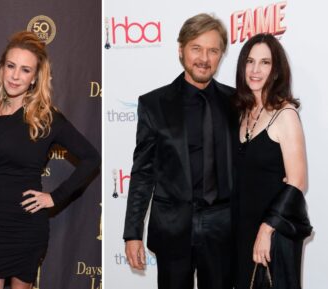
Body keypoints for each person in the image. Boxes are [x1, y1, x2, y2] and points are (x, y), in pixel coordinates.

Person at [0, 31, 100, 289]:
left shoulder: (45, 118)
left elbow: (91, 158)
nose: (15, 75)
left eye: (25, 70)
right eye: (11, 66)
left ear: (34, 78)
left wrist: (54, 197)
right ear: (1, 69)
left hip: (26, 227)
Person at [123, 13, 237, 289]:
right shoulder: (153, 104)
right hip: (173, 227)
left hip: (223, 226)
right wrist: (132, 233)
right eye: (196, 48)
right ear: (181, 49)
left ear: (221, 55)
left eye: (213, 50)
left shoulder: (237, 102)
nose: (204, 58)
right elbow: (143, 173)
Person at [233, 33, 312, 289]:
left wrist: (266, 230)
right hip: (242, 230)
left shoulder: (285, 114)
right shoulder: (242, 112)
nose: (255, 70)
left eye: (265, 62)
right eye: (250, 61)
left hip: (273, 234)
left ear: (276, 69)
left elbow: (297, 182)